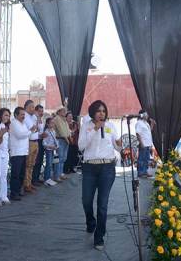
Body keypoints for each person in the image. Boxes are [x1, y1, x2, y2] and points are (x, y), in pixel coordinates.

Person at [78, 100, 122, 251]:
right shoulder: (86, 126)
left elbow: (116, 145)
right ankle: (91, 222)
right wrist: (95, 129)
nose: (101, 113)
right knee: (86, 200)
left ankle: (99, 237)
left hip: (107, 168)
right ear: (93, 112)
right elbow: (81, 146)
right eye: (98, 111)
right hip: (90, 167)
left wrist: (120, 143)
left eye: (103, 111)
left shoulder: (110, 126)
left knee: (102, 205)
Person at [9, 107, 35, 201]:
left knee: (21, 173)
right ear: (16, 115)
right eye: (21, 114)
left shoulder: (23, 124)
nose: (23, 116)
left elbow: (26, 134)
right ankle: (14, 193)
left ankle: (19, 190)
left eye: (24, 114)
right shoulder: (13, 123)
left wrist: (30, 131)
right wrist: (30, 131)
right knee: (15, 174)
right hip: (16, 152)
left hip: (23, 151)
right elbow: (20, 135)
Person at [22, 100, 39, 193]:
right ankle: (26, 184)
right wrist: (35, 128)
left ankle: (29, 182)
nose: (34, 109)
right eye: (32, 107)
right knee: (28, 164)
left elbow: (37, 128)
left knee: (32, 164)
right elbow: (32, 128)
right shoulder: (25, 116)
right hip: (29, 142)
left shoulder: (33, 117)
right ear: (27, 107)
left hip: (35, 141)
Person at [135, 109, 155, 178]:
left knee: (146, 159)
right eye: (146, 114)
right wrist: (141, 143)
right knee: (141, 159)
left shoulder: (146, 123)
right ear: (142, 115)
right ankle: (140, 172)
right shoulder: (139, 123)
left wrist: (152, 124)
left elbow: (149, 132)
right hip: (143, 144)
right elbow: (138, 134)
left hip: (148, 144)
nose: (147, 115)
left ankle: (145, 172)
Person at [54, 107, 70, 181]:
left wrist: (69, 137)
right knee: (59, 158)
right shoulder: (57, 118)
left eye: (65, 111)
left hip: (65, 140)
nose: (64, 112)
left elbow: (67, 130)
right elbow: (61, 131)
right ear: (59, 111)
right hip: (60, 140)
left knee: (63, 158)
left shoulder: (64, 119)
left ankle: (61, 173)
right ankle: (57, 175)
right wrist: (67, 139)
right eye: (63, 110)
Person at [32, 105, 46, 186]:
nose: (41, 113)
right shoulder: (34, 119)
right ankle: (34, 179)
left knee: (40, 160)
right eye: (40, 111)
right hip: (36, 140)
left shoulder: (41, 119)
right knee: (36, 161)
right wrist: (40, 135)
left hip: (41, 141)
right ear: (36, 111)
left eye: (42, 111)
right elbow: (34, 131)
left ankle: (37, 177)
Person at [42, 117, 59, 186]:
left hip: (53, 150)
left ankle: (49, 178)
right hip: (49, 150)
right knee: (48, 164)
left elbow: (55, 140)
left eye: (53, 123)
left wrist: (56, 146)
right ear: (47, 124)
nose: (53, 124)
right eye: (51, 123)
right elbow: (44, 143)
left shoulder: (53, 131)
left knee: (52, 163)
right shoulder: (46, 131)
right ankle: (46, 179)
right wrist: (50, 146)